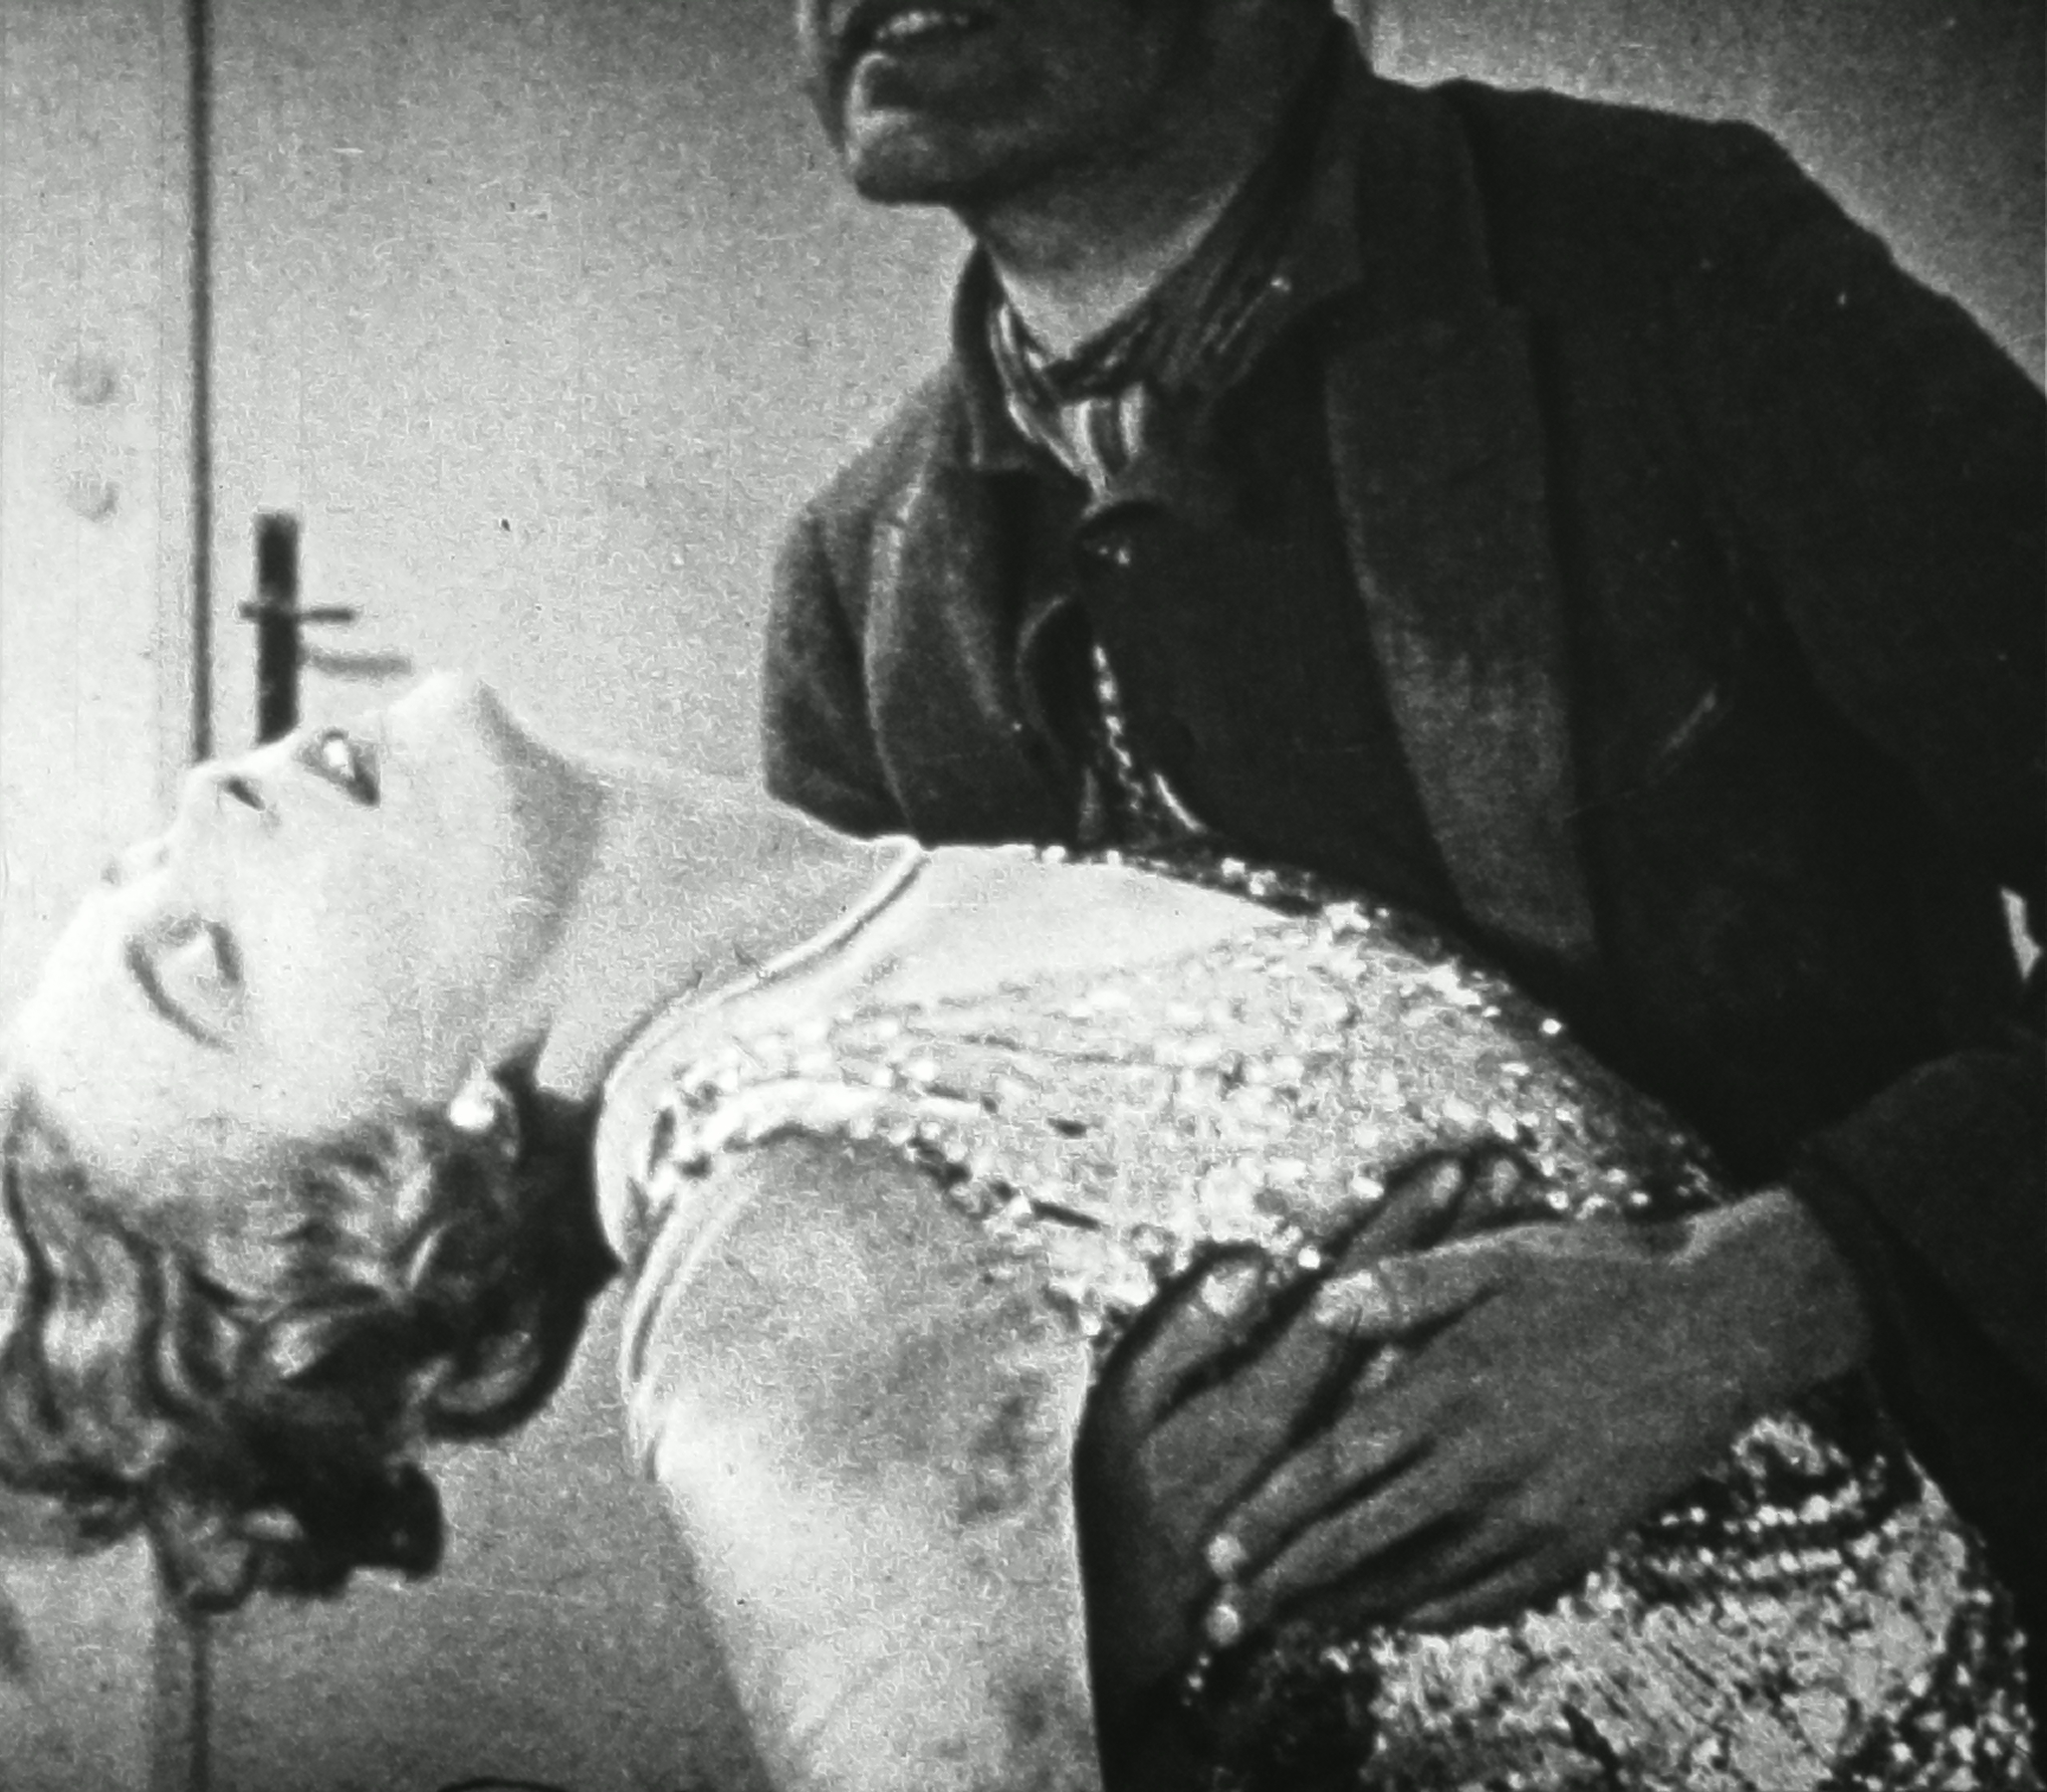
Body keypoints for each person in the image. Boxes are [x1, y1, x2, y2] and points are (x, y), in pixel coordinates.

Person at [0, 675, 2034, 1790]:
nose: (200, 812)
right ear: (403, 1177)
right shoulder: (775, 1263)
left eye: (130, 865)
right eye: (206, 961)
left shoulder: (866, 911)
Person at [762, 0, 2046, 1737]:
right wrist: (1077, 1551)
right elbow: (894, 1341)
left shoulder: (1665, 258)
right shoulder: (863, 586)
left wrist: (1770, 1290)